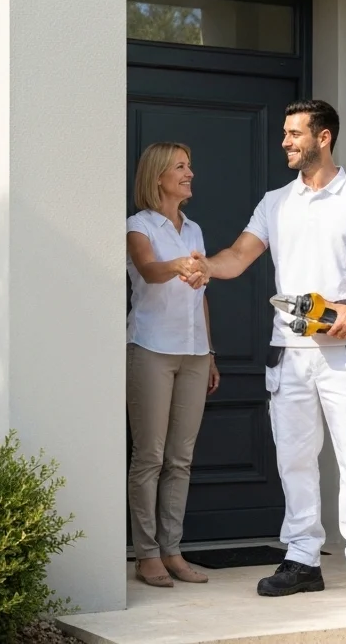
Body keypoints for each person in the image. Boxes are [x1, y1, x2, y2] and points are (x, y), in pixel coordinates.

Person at [183, 100, 346, 607]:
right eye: (284, 132)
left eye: (294, 133)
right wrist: (206, 267)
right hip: (290, 353)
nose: (284, 141)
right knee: (294, 460)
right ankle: (303, 559)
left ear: (323, 138)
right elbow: (239, 255)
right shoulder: (275, 202)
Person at [125, 141, 221, 588]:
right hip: (151, 349)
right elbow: (148, 270)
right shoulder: (138, 226)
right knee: (149, 457)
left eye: (190, 165)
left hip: (195, 353)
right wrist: (178, 264)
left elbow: (201, 297)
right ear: (158, 176)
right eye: (181, 167)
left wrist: (211, 351)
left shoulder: (194, 230)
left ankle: (172, 551)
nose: (190, 173)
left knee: (180, 459)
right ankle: (146, 555)